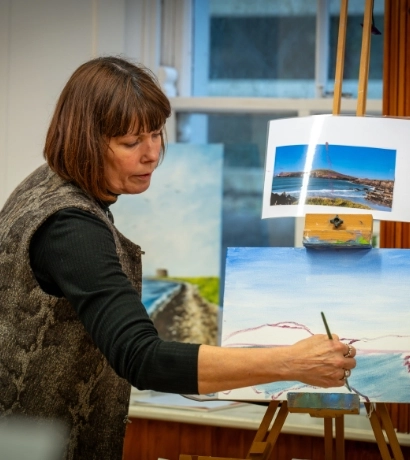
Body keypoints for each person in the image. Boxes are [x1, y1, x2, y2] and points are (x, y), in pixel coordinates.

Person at [0, 56, 356, 460]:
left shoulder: (43, 183)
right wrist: (291, 362)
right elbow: (141, 358)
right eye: (131, 143)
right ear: (83, 140)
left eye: (155, 134)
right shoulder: (70, 227)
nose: (151, 154)